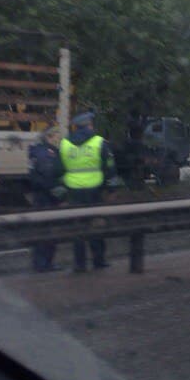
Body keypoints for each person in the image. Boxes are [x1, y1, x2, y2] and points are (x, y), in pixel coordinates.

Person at [60, 112, 117, 272]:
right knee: (96, 226)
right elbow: (110, 168)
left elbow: (58, 170)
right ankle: (98, 261)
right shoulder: (99, 143)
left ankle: (79, 264)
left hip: (73, 193)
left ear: (76, 127)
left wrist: (62, 195)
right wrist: (111, 190)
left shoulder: (64, 144)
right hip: (94, 192)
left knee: (78, 229)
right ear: (90, 125)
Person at [27, 126, 64, 272]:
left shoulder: (35, 151)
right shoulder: (49, 153)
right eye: (57, 136)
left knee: (40, 229)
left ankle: (39, 262)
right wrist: (60, 195)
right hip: (47, 197)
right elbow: (49, 176)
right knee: (49, 231)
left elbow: (33, 174)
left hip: (39, 196)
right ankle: (45, 263)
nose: (58, 139)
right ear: (49, 137)